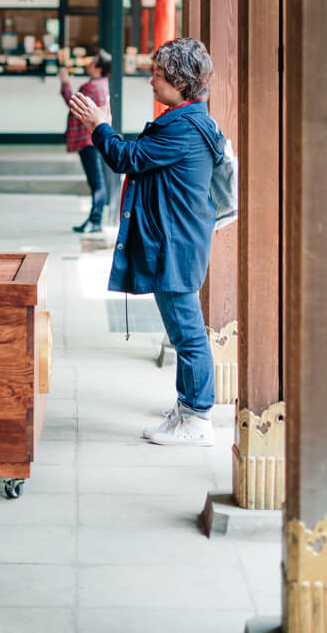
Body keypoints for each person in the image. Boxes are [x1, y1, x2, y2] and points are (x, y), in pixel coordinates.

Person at [68, 37, 224, 446]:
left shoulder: (183, 126)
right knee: (182, 329)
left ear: (179, 80)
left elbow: (128, 159)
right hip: (177, 239)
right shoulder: (187, 119)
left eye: (157, 74)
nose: (151, 81)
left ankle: (196, 418)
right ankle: (188, 407)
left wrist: (98, 126)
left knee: (187, 333)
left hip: (175, 243)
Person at [60, 53, 112, 233]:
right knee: (98, 180)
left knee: (96, 182)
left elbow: (72, 102)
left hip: (87, 139)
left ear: (98, 68)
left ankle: (95, 220)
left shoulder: (90, 86)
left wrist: (65, 81)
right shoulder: (104, 84)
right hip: (97, 139)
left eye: (92, 63)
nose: (88, 65)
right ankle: (94, 219)